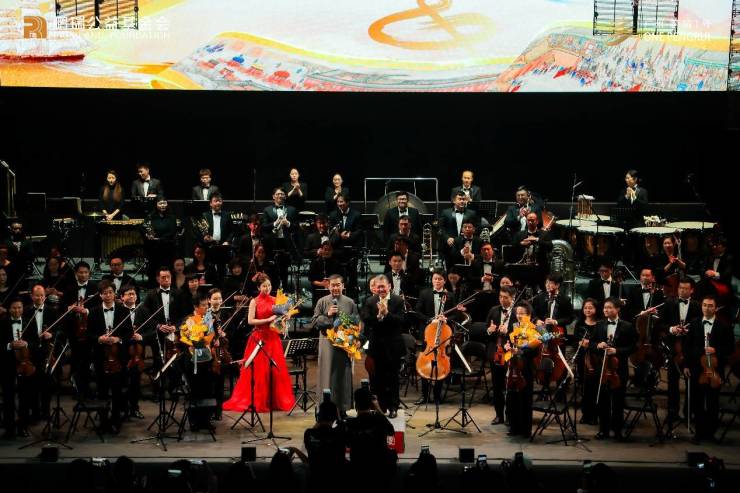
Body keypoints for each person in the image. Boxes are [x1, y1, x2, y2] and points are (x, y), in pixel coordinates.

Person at [223, 274, 295, 412]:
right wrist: (268, 320)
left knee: (275, 371)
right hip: (259, 338)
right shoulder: (254, 301)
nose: (267, 288)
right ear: (258, 287)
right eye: (264, 286)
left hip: (273, 338)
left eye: (269, 285)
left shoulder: (276, 300)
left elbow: (280, 320)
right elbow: (250, 321)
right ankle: (259, 400)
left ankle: (273, 401)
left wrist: (285, 317)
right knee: (259, 372)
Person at [683, 294, 735, 443]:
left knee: (713, 402)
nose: (707, 308)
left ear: (716, 308)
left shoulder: (724, 326)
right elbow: (687, 347)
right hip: (696, 368)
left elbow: (730, 348)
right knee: (697, 402)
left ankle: (710, 433)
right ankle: (699, 433)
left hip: (715, 371)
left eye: (710, 306)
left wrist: (716, 350)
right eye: (704, 305)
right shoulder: (694, 323)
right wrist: (686, 365)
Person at [585, 297, 636, 441]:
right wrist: (598, 345)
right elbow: (591, 344)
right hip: (602, 368)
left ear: (617, 309)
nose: (606, 310)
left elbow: (633, 347)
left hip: (619, 369)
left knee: (618, 401)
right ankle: (603, 430)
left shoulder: (627, 326)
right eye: (605, 307)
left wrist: (617, 350)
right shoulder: (600, 325)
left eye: (609, 307)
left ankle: (618, 431)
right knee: (603, 400)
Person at [360, 275, 405, 417]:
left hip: (393, 346)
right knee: (378, 378)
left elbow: (401, 321)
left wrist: (387, 314)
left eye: (383, 286)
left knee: (393, 378)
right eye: (378, 287)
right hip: (377, 346)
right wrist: (378, 317)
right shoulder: (370, 301)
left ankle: (393, 407)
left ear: (389, 286)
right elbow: (366, 319)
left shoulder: (398, 300)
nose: (381, 289)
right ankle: (382, 407)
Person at [311, 274, 357, 413]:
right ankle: (326, 409)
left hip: (344, 345)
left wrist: (353, 340)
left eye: (338, 285)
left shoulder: (350, 302)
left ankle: (343, 409)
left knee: (343, 375)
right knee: (327, 375)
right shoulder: (322, 302)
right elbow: (314, 322)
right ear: (328, 286)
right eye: (333, 285)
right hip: (327, 345)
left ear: (343, 286)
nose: (335, 288)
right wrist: (328, 315)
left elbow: (356, 323)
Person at [88, 280, 129, 433]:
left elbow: (129, 333)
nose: (108, 295)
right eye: (105, 293)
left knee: (117, 391)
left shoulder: (123, 311)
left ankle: (116, 420)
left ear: (114, 293)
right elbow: (88, 335)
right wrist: (99, 339)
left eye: (110, 292)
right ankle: (103, 421)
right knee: (102, 391)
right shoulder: (93, 312)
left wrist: (118, 339)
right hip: (100, 357)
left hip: (118, 357)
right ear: (100, 295)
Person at [660, 277, 701, 422]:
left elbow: (700, 327)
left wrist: (689, 331)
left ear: (692, 290)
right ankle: (672, 412)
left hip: (690, 349)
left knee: (692, 381)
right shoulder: (669, 303)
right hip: (673, 347)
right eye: (680, 288)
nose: (682, 291)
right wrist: (672, 329)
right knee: (672, 381)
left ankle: (689, 413)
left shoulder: (697, 306)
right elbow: (661, 324)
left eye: (685, 288)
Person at [414, 269, 457, 405]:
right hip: (428, 334)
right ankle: (424, 395)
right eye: (435, 279)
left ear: (444, 281)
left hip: (443, 333)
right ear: (432, 280)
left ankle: (437, 396)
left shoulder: (450, 295)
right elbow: (418, 312)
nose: (437, 281)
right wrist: (430, 320)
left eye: (440, 279)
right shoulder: (424, 293)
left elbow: (456, 314)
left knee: (440, 363)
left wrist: (446, 319)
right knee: (426, 362)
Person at [344, 387, 397, 491]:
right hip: (379, 472)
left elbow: (347, 443)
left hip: (358, 471)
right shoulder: (380, 420)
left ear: (356, 405)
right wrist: (377, 407)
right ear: (371, 404)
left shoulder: (350, 424)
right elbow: (391, 431)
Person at [179, 292, 217, 431]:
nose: (206, 307)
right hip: (192, 360)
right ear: (195, 306)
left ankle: (206, 420)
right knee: (195, 390)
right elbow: (186, 340)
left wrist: (215, 339)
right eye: (203, 305)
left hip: (206, 360)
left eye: (207, 305)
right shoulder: (188, 320)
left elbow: (212, 336)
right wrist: (197, 341)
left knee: (207, 390)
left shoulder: (209, 318)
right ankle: (194, 421)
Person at [1, 298, 38, 439]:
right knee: (8, 397)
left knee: (25, 397)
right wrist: (9, 345)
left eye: (19, 308)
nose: (17, 311)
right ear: (9, 309)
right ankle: (9, 429)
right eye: (14, 308)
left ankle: (23, 427)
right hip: (7, 365)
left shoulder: (30, 321)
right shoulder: (2, 322)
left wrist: (26, 344)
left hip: (25, 364)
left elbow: (36, 342)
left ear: (23, 308)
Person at [503, 302, 540, 438]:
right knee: (512, 397)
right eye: (517, 313)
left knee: (525, 397)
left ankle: (525, 430)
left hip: (526, 366)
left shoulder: (535, 328)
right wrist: (507, 346)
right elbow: (508, 342)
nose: (518, 315)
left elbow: (535, 351)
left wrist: (521, 351)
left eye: (522, 313)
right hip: (513, 365)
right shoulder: (514, 327)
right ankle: (514, 427)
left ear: (528, 315)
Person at [62, 261, 99, 398]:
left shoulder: (95, 288)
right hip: (73, 329)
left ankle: (87, 389)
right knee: (75, 359)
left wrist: (86, 311)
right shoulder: (69, 288)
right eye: (80, 272)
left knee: (87, 359)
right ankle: (76, 388)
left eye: (85, 272)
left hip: (90, 329)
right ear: (75, 273)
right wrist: (69, 308)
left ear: (89, 273)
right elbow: (62, 307)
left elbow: (99, 307)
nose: (83, 275)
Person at [24, 284, 58, 422]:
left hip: (46, 352)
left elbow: (60, 331)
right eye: (37, 295)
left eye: (42, 295)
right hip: (30, 353)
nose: (39, 298)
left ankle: (45, 412)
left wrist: (51, 334)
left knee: (46, 384)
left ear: (45, 296)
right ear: (32, 296)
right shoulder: (25, 311)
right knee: (32, 385)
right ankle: (35, 413)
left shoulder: (52, 311)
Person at [484, 285, 517, 424]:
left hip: (510, 353)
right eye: (500, 297)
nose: (502, 300)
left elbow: (520, 334)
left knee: (509, 386)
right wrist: (489, 330)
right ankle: (499, 415)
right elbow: (486, 328)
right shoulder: (493, 310)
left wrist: (507, 332)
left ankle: (510, 416)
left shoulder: (517, 312)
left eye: (505, 298)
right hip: (496, 353)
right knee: (497, 386)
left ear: (513, 298)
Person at [303, 399, 347, 492]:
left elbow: (314, 431)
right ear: (335, 416)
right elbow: (341, 425)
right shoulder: (340, 432)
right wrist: (338, 418)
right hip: (338, 481)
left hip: (315, 481)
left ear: (319, 415)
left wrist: (319, 421)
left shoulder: (309, 433)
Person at [261, 187, 299, 290]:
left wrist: (287, 223)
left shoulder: (292, 210)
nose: (280, 196)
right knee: (272, 269)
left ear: (285, 196)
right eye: (277, 194)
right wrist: (275, 223)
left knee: (284, 269)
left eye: (282, 194)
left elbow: (296, 227)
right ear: (273, 196)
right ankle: (273, 290)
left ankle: (285, 290)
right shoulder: (267, 210)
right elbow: (264, 227)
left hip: (286, 243)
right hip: (272, 243)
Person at [119, 284, 147, 419]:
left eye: (134, 294)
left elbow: (151, 329)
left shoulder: (143, 310)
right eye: (129, 294)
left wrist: (142, 336)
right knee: (123, 381)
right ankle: (123, 408)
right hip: (122, 351)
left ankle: (135, 408)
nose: (132, 296)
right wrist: (126, 336)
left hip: (138, 352)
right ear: (122, 297)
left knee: (136, 381)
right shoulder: (118, 311)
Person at [572, 298, 600, 425]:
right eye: (586, 308)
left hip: (596, 359)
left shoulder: (600, 324)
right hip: (582, 358)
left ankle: (594, 414)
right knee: (584, 387)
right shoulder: (579, 324)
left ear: (596, 309)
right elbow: (574, 341)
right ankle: (585, 414)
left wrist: (590, 344)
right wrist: (579, 342)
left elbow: (600, 341)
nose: (588, 310)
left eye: (590, 308)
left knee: (594, 387)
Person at [143, 197, 178, 285]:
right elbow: (143, 227)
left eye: (164, 203)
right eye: (160, 203)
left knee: (167, 268)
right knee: (154, 269)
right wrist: (147, 235)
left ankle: (167, 285)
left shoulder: (172, 217)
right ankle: (153, 286)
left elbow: (172, 232)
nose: (162, 205)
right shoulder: (150, 216)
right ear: (156, 205)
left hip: (167, 248)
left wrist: (159, 239)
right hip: (154, 249)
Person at [438, 191, 477, 268]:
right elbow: (440, 228)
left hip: (466, 246)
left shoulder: (472, 213)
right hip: (450, 246)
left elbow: (476, 228)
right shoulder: (446, 212)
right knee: (450, 269)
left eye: (464, 199)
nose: (462, 201)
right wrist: (447, 238)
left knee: (466, 269)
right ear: (454, 201)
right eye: (460, 199)